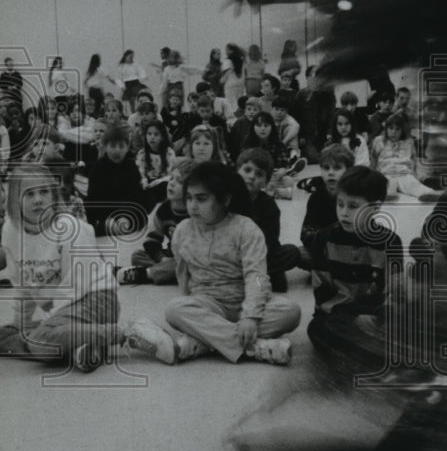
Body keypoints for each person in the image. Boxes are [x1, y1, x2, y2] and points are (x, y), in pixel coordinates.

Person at [125, 162, 301, 365]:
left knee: (291, 312)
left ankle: (205, 341)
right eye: (189, 198)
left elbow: (257, 276)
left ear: (224, 199)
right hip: (209, 305)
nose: (192, 205)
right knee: (174, 309)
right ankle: (254, 348)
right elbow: (184, 276)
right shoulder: (182, 231)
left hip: (245, 301)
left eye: (201, 199)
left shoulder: (246, 228)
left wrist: (251, 316)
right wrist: (193, 307)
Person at [0, 163, 121, 371]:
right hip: (63, 310)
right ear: (14, 200)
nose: (38, 199)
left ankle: (119, 334)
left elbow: (74, 286)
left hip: (95, 299)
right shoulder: (11, 228)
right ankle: (80, 345)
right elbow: (21, 280)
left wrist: (50, 321)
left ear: (53, 195)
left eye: (44, 192)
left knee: (39, 341)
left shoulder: (68, 228)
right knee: (5, 337)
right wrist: (21, 323)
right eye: (29, 194)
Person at [305, 166, 403, 378]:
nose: (344, 213)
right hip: (337, 315)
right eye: (340, 204)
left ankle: (366, 356)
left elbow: (395, 290)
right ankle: (360, 359)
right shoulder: (324, 238)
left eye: (353, 206)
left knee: (406, 323)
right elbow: (322, 290)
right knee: (317, 328)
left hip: (374, 316)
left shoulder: (391, 242)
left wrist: (378, 315)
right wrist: (351, 315)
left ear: (375, 208)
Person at [116, 158, 196, 285]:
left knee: (186, 266)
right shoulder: (163, 210)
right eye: (171, 178)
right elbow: (151, 242)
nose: (172, 184)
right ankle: (163, 272)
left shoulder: (194, 211)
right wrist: (162, 258)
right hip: (169, 256)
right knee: (137, 256)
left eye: (179, 181)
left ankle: (144, 274)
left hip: (188, 259)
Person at [236, 148, 302, 292]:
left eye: (259, 174)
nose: (252, 176)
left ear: (265, 182)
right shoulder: (227, 200)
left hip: (259, 255)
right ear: (237, 172)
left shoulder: (269, 206)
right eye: (247, 170)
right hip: (231, 254)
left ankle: (249, 276)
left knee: (292, 252)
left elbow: (270, 244)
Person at [298, 143, 354, 263]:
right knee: (298, 254)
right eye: (326, 168)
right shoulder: (316, 197)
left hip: (352, 249)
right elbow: (306, 233)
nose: (330, 173)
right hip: (326, 248)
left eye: (337, 168)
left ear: (349, 170)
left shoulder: (355, 195)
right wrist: (326, 237)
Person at [85, 125, 144, 237]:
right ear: (105, 146)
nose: (117, 150)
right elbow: (94, 198)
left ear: (127, 147)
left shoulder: (131, 166)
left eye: (121, 146)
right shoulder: (98, 167)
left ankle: (123, 224)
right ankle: (107, 226)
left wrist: (125, 216)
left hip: (126, 212)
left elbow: (136, 196)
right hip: (105, 213)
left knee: (141, 211)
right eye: (112, 146)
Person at [371, 110, 442, 201]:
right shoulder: (379, 141)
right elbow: (374, 159)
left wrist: (415, 175)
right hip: (386, 172)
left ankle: (430, 194)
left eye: (397, 129)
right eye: (391, 128)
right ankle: (387, 194)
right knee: (386, 185)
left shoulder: (408, 142)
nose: (394, 132)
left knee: (412, 184)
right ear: (386, 129)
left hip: (403, 173)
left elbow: (413, 160)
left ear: (402, 130)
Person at [136, 119, 176, 211]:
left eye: (156, 134)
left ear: (162, 137)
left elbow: (169, 174)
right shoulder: (142, 153)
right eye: (149, 134)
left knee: (163, 187)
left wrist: (157, 182)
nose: (152, 137)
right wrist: (144, 181)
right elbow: (140, 171)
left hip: (162, 183)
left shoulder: (169, 152)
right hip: (147, 184)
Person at [221, 44, 246, 112]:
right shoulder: (241, 60)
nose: (225, 51)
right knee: (239, 105)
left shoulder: (227, 61)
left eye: (227, 50)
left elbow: (225, 75)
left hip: (230, 86)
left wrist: (221, 81)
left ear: (232, 51)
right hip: (240, 85)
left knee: (231, 106)